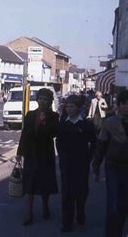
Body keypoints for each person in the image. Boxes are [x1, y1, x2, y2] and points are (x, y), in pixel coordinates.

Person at [16, 88, 59, 226]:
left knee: (45, 183)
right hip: (31, 154)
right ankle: (29, 213)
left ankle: (45, 206)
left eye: (45, 99)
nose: (42, 101)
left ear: (50, 101)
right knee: (29, 184)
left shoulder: (54, 116)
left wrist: (44, 122)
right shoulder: (30, 114)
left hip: (45, 154)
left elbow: (53, 133)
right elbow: (24, 134)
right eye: (40, 98)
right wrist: (19, 152)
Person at [56, 95, 96, 232]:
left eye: (71, 106)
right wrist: (62, 156)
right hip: (66, 163)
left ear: (78, 108)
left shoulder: (86, 125)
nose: (69, 109)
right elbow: (59, 142)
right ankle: (67, 222)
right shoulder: (63, 124)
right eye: (67, 106)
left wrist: (88, 158)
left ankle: (80, 213)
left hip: (81, 163)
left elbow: (94, 143)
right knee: (67, 192)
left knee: (81, 191)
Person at [92, 90, 128, 237]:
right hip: (113, 166)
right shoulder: (109, 122)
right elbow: (101, 145)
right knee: (113, 205)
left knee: (124, 203)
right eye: (124, 103)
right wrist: (96, 167)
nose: (127, 107)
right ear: (118, 105)